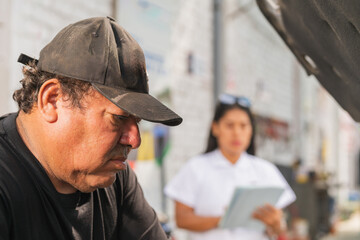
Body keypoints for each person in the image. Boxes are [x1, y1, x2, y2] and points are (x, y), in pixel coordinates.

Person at [0, 17, 182, 240]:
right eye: (118, 118)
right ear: (52, 100)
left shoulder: (114, 179)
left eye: (138, 121)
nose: (135, 140)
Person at [164, 94, 296, 240]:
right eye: (229, 125)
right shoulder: (195, 168)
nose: (237, 133)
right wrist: (225, 219)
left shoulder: (266, 170)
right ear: (215, 128)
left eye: (243, 126)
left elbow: (281, 225)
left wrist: (277, 225)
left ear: (251, 130)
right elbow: (182, 219)